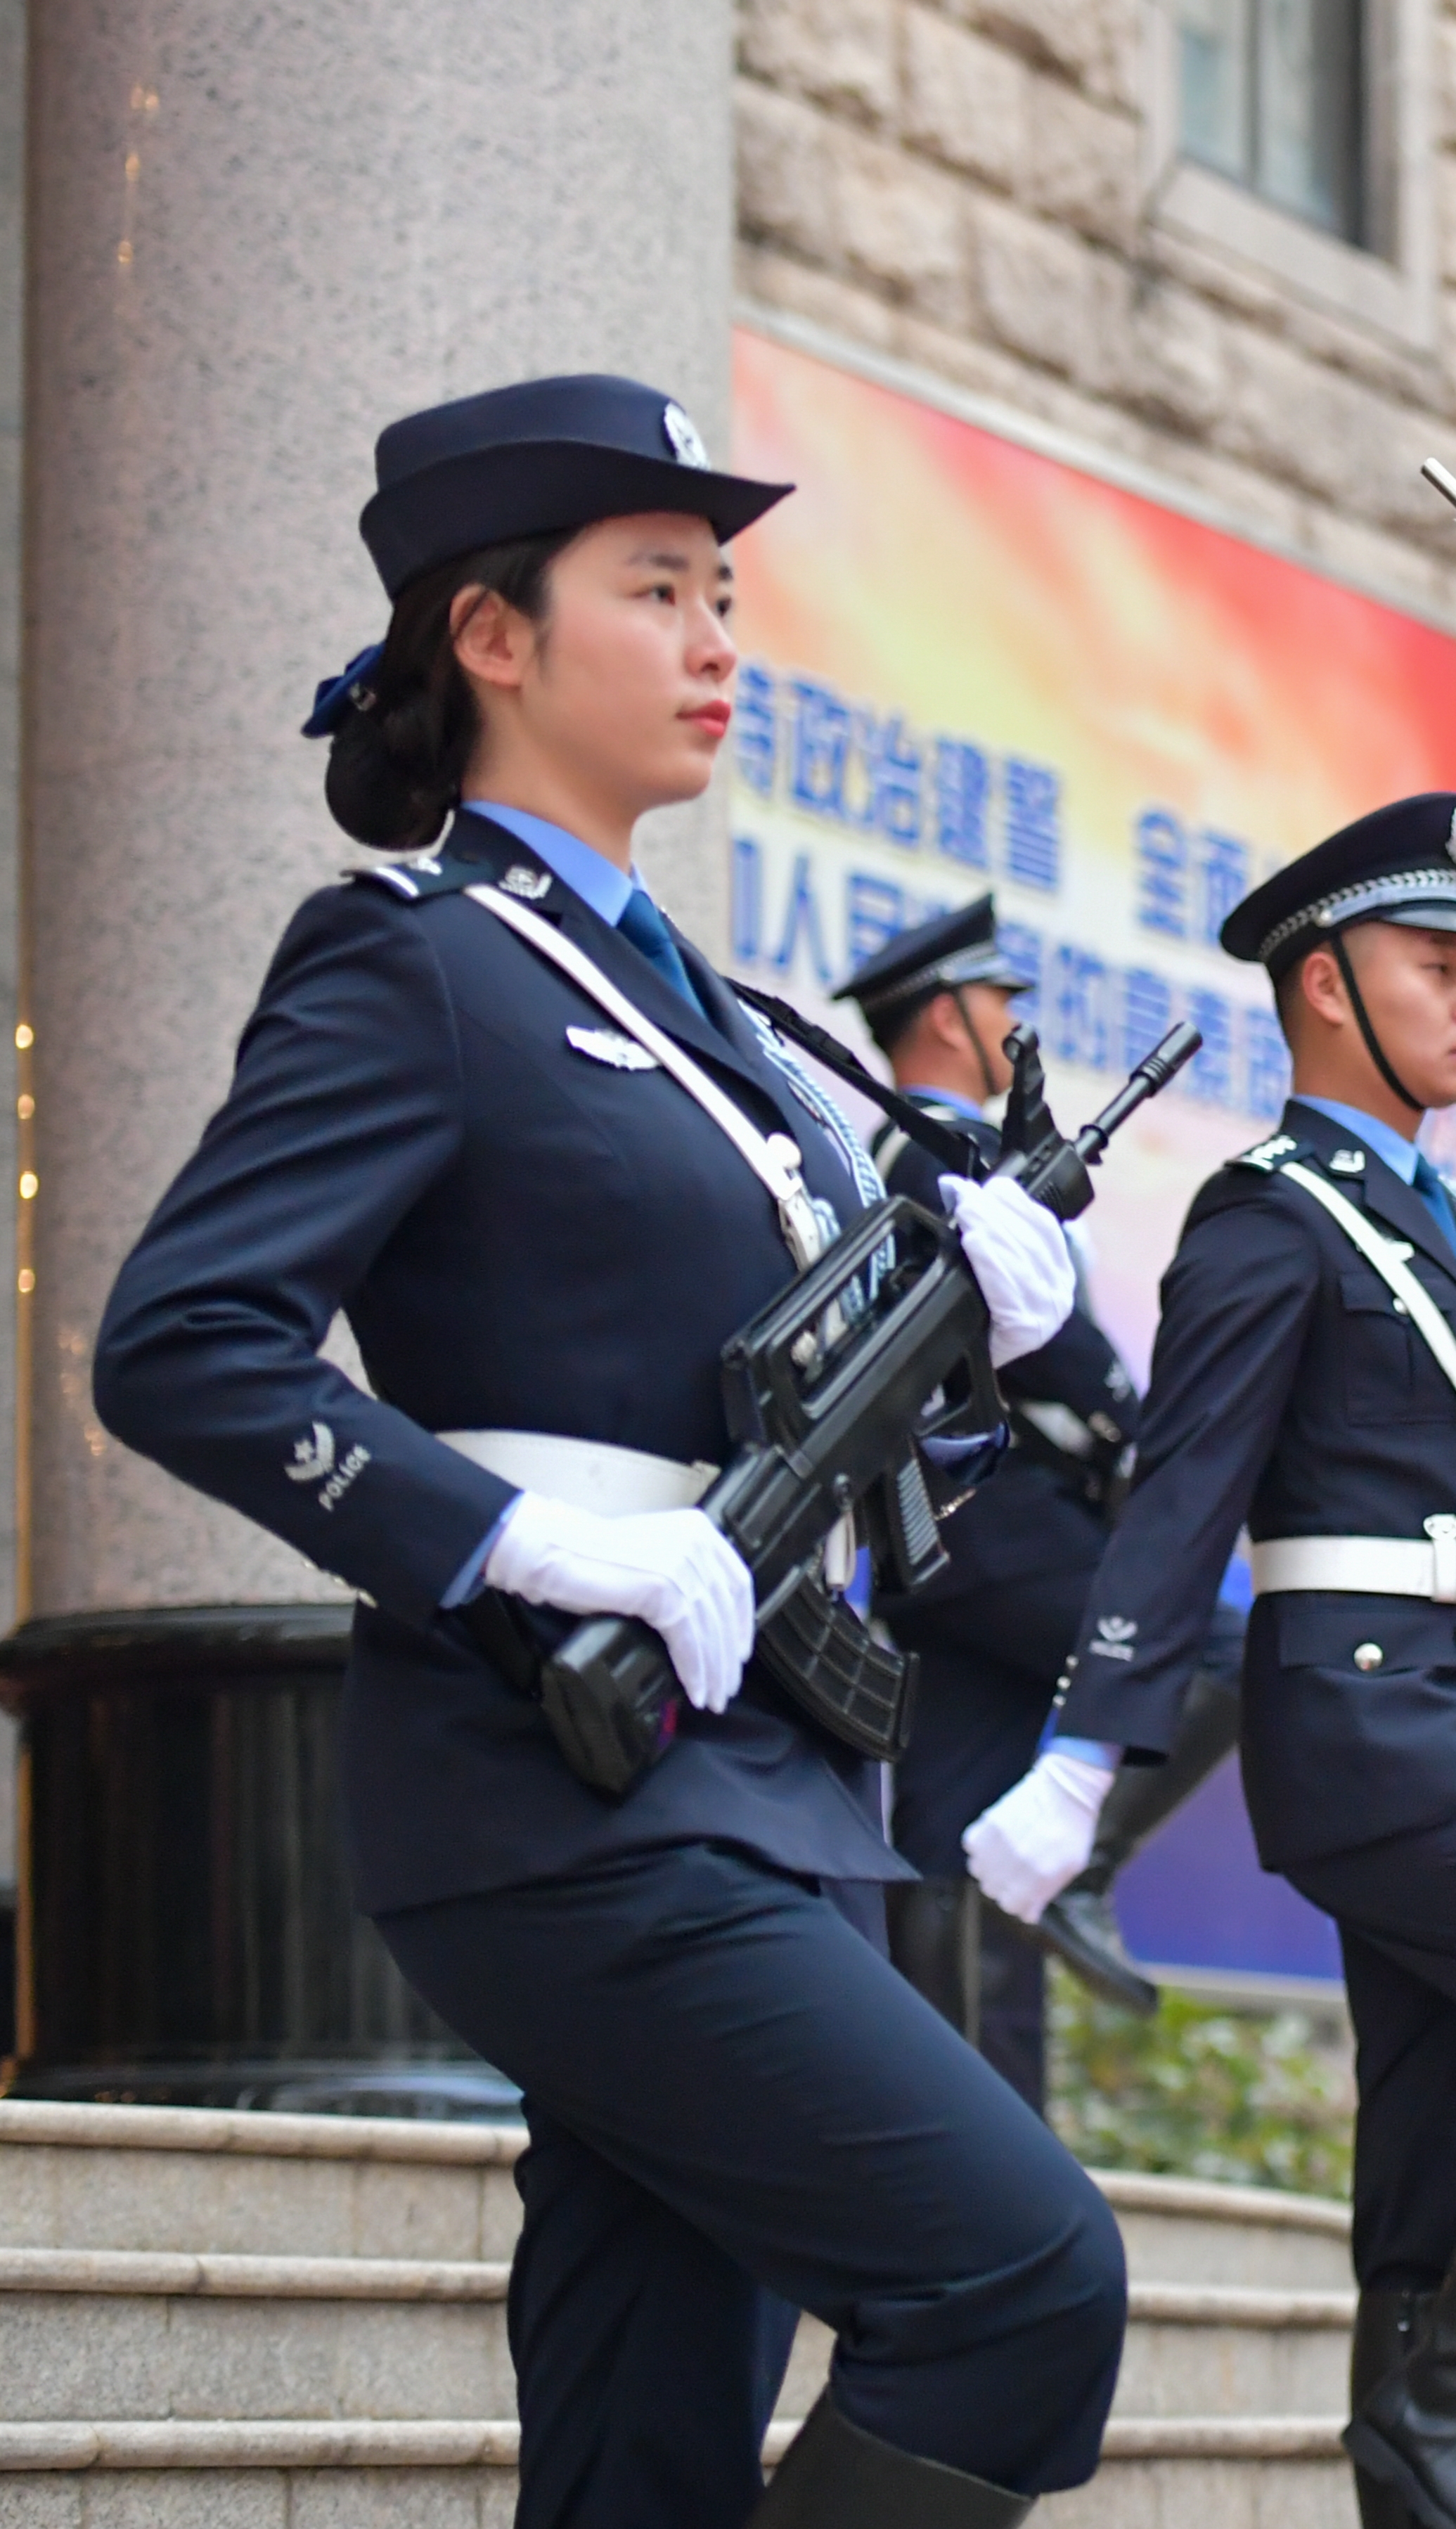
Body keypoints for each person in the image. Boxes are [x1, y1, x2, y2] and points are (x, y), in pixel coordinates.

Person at [88, 374, 1127, 2528]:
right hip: (566, 1781)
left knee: (647, 2428)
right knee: (1024, 2274)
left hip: (775, 1782)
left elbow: (801, 1387)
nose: (719, 638)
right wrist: (518, 1538)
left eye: (725, 592)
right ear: (492, 632)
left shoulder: (734, 1033)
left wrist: (994, 1326)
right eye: (658, 589)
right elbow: (185, 1341)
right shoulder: (418, 967)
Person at [957, 793, 1456, 2529]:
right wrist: (1087, 1747)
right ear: (1323, 983)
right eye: (1434, 962)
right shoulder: (1270, 1218)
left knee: (1437, 2157)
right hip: (1373, 1726)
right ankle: (1455, 2398)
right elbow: (1180, 1502)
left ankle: (1421, 2452)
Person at [838, 894, 1140, 2104]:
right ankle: (1094, 1861)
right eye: (999, 1000)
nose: (1015, 1022)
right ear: (949, 1017)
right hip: (999, 1521)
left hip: (958, 1542)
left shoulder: (916, 1151)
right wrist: (1135, 1416)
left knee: (962, 1837)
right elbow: (1046, 1337)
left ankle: (970, 2118)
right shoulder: (938, 1153)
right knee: (1202, 1641)